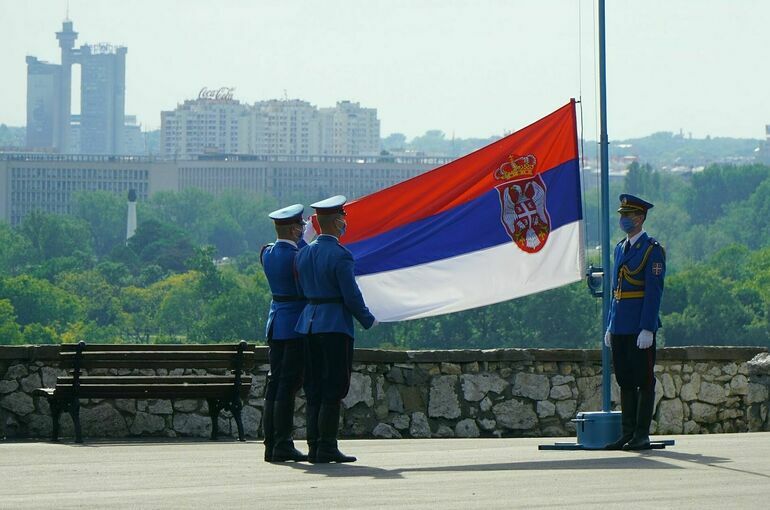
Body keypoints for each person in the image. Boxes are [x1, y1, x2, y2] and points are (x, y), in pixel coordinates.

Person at [294, 195, 377, 463]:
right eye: (342, 218)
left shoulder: (304, 252)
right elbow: (350, 295)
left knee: (314, 387)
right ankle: (327, 445)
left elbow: (300, 289)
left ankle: (314, 446)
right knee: (334, 386)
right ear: (336, 221)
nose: (344, 223)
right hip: (334, 326)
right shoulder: (341, 255)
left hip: (308, 324)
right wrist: (367, 318)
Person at [604, 194, 666, 451]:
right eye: (621, 215)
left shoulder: (653, 250)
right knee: (625, 381)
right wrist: (610, 324)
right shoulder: (620, 248)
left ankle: (642, 434)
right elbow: (615, 290)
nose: (623, 220)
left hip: (640, 326)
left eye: (627, 216)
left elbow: (654, 292)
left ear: (639, 218)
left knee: (644, 380)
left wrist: (648, 328)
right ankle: (627, 433)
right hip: (620, 325)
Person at [260, 203, 309, 462]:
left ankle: (271, 442)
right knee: (287, 387)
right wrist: (304, 242)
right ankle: (283, 442)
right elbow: (304, 281)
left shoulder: (267, 253)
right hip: (294, 326)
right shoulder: (298, 256)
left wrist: (300, 240)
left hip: (276, 323)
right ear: (293, 229)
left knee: (275, 384)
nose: (303, 229)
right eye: (300, 226)